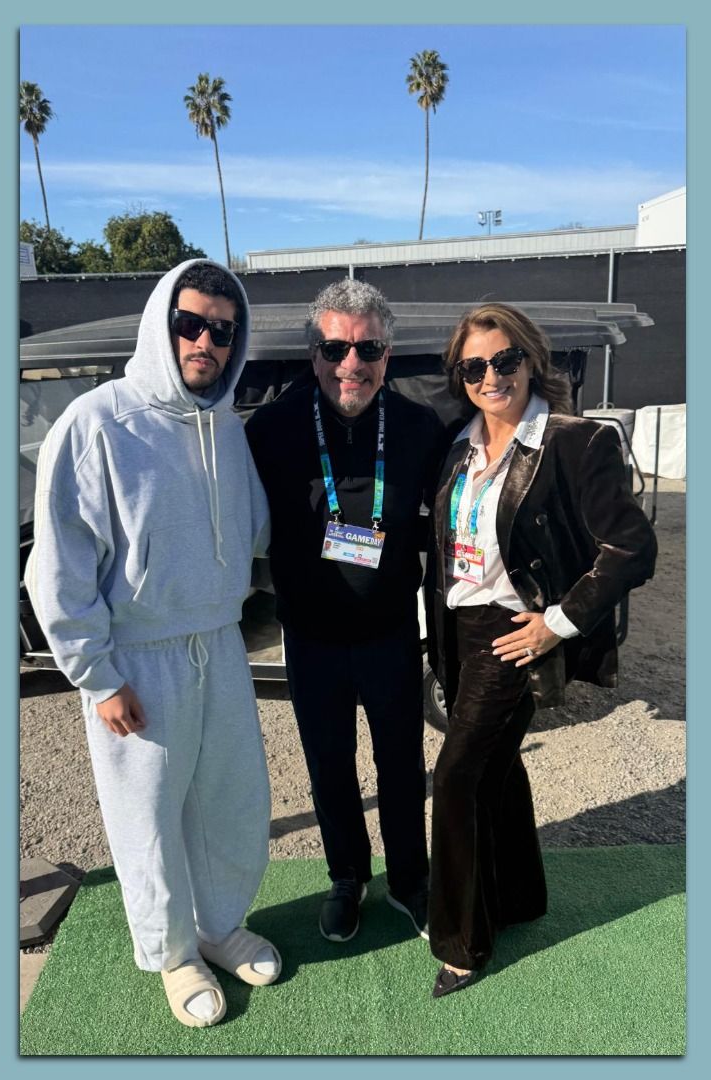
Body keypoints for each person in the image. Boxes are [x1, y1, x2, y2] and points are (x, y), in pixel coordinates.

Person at [27, 259, 278, 1029]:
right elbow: (58, 564)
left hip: (218, 644)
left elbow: (254, 531)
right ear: (161, 322)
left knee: (230, 802)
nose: (205, 341)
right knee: (148, 815)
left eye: (222, 331)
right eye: (190, 323)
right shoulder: (98, 423)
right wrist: (96, 676)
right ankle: (172, 955)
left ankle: (217, 925)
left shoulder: (226, 428)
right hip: (139, 655)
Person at [421, 302, 658, 998]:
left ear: (532, 360)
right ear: (459, 376)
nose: (491, 376)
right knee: (495, 768)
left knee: (458, 773)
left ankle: (462, 941)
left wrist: (559, 620)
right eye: (474, 366)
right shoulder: (456, 445)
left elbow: (632, 547)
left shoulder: (576, 441)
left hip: (516, 631)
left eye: (505, 360)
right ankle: (521, 895)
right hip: (457, 629)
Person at [243, 279, 447, 944]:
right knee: (329, 764)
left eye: (368, 349)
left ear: (388, 355)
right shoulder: (270, 430)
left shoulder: (420, 427)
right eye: (335, 348)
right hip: (311, 638)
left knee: (399, 763)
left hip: (390, 635)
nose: (350, 364)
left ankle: (410, 881)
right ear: (313, 352)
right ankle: (346, 876)